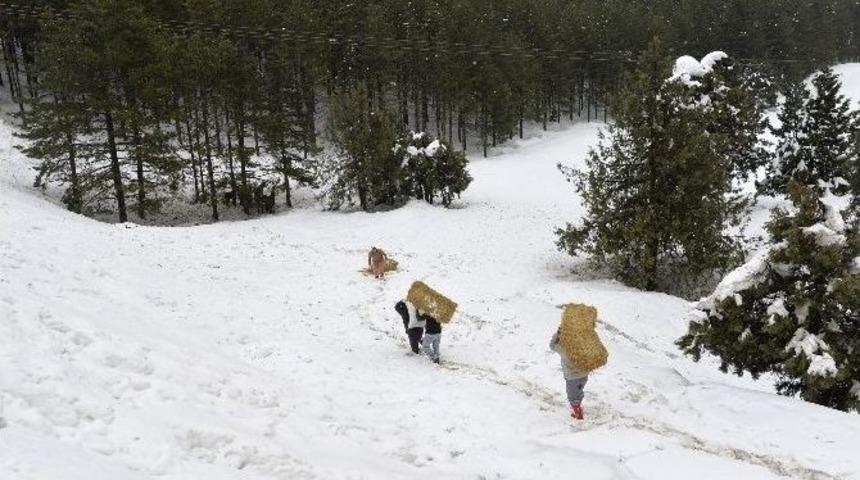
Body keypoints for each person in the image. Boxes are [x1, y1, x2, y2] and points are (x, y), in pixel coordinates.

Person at [550, 329, 589, 420]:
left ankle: (578, 415)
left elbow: (552, 345)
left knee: (572, 396)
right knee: (579, 391)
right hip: (584, 375)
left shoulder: (563, 348)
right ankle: (579, 405)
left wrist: (558, 333)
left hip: (572, 378)